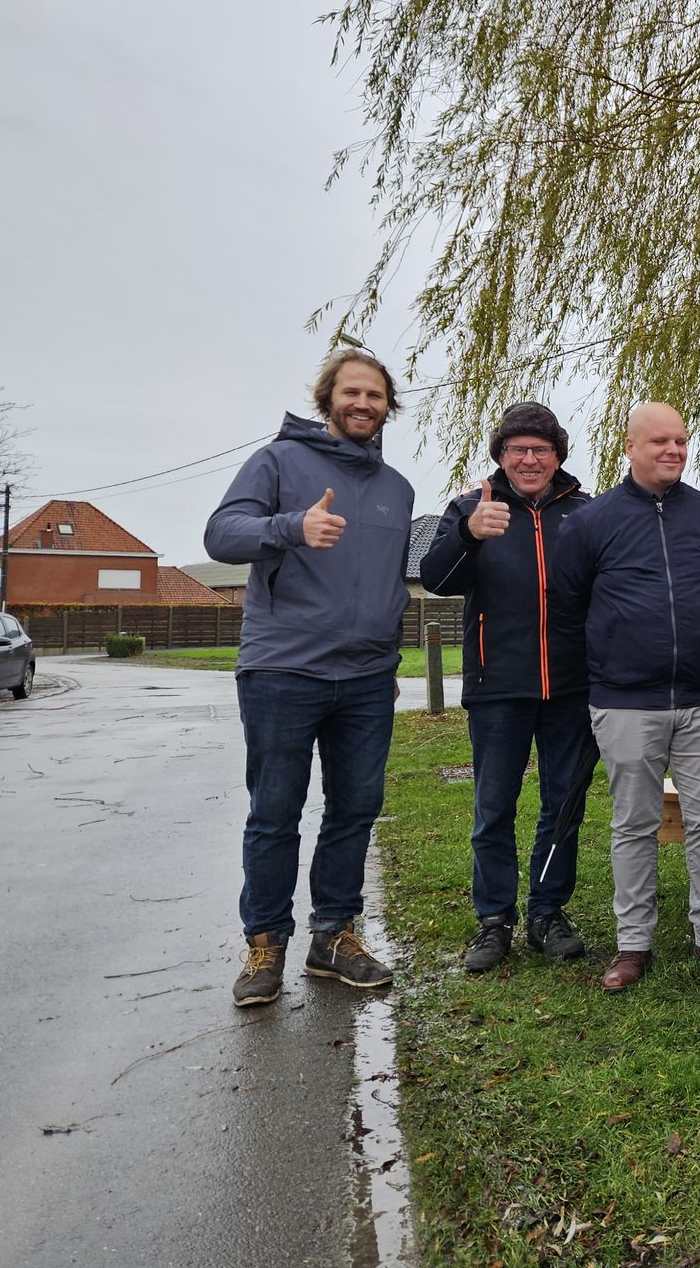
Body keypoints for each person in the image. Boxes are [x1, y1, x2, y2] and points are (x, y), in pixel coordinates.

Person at [206, 349, 414, 1007]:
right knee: (275, 813)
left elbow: (386, 582)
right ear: (328, 399)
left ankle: (334, 937)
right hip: (283, 671)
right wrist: (293, 525)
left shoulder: (398, 489)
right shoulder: (277, 462)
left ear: (388, 407)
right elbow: (221, 535)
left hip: (367, 679)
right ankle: (265, 945)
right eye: (351, 392)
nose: (363, 404)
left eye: (375, 395)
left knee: (355, 810)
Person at [548, 401, 700, 991]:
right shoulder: (592, 522)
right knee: (633, 824)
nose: (673, 451)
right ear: (631, 447)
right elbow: (567, 607)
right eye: (660, 441)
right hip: (624, 704)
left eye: (682, 441)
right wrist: (616, 655)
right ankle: (632, 944)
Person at [420, 403, 595, 973]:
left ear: (557, 457)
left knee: (562, 806)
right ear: (500, 456)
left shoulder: (585, 513)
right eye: (517, 449)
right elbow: (436, 579)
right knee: (493, 808)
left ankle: (547, 913)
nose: (528, 459)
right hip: (498, 688)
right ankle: (493, 920)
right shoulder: (473, 508)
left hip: (571, 688)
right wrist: (469, 535)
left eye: (540, 449)